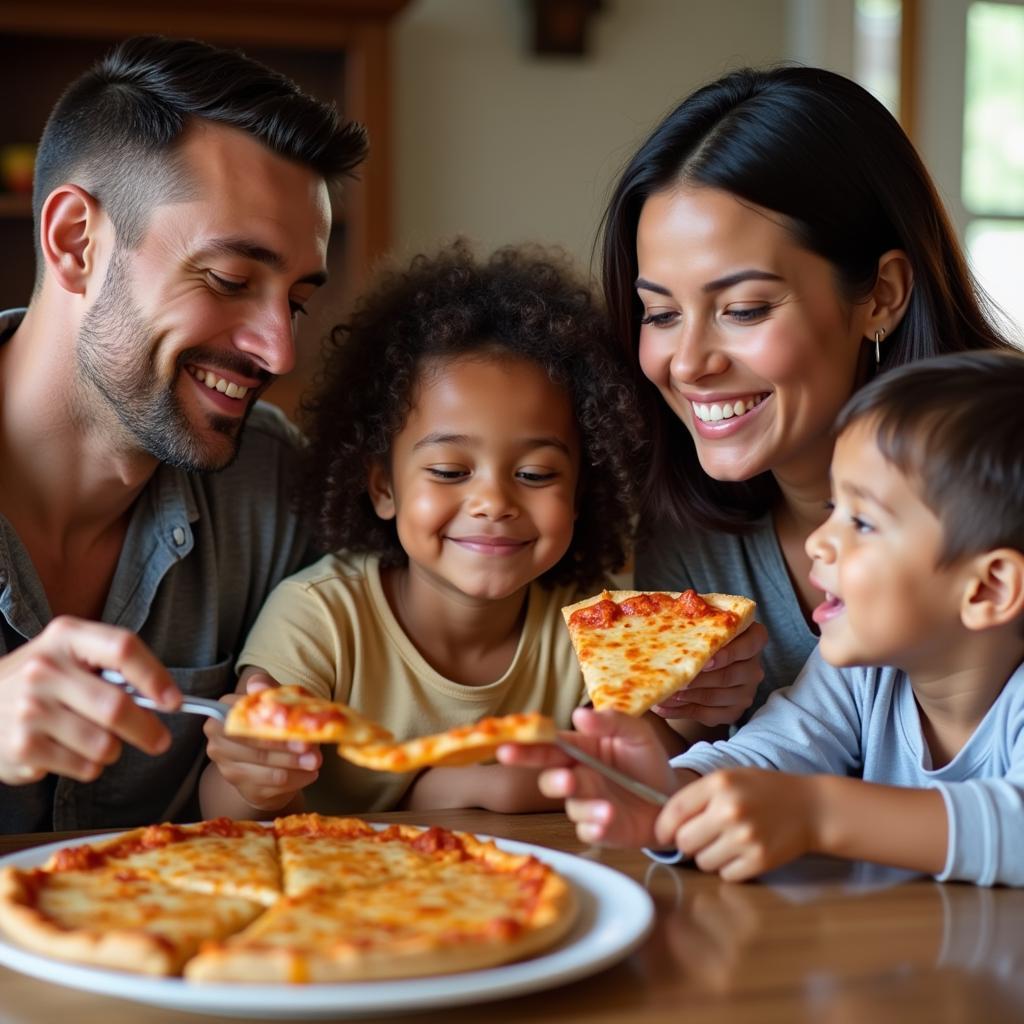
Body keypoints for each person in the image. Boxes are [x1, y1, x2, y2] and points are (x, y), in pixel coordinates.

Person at [0, 35, 368, 831]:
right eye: (230, 281)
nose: (279, 349)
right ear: (76, 242)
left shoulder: (275, 492)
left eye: (296, 300)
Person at [501, 351, 1024, 886]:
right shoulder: (863, 674)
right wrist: (666, 795)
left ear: (988, 587)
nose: (820, 542)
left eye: (862, 522)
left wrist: (818, 812)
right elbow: (767, 757)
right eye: (831, 510)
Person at [600, 65, 1016, 733]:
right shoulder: (690, 540)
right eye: (660, 314)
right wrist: (674, 724)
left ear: (881, 294)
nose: (688, 363)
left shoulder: (1008, 495)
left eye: (743, 308)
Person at [198, 241, 666, 818]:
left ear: (580, 493)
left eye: (536, 473)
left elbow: (658, 771)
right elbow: (225, 809)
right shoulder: (319, 619)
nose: (493, 502)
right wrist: (256, 775)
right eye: (449, 471)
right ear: (383, 487)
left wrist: (696, 698)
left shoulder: (597, 630)